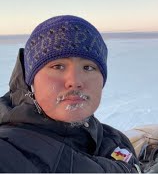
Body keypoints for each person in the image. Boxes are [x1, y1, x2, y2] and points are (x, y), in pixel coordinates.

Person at [0, 15, 140, 172]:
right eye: (58, 66)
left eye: (88, 67)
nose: (75, 81)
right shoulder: (8, 150)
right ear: (30, 80)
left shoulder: (116, 140)